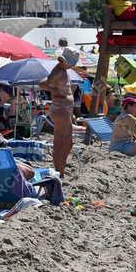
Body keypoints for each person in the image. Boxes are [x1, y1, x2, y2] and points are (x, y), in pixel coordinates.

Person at [41, 46, 80, 176]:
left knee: (67, 142)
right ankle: (59, 171)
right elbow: (43, 83)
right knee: (60, 141)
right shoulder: (58, 71)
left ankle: (60, 168)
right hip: (60, 107)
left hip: (65, 108)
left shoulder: (62, 70)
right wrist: (56, 91)